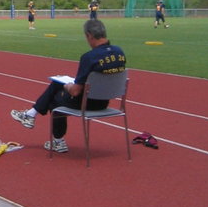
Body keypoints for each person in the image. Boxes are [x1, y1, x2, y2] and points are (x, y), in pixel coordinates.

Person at [11, 19, 126, 153]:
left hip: (87, 104)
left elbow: (75, 92)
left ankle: (57, 141)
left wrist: (67, 86)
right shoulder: (119, 53)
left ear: (89, 35)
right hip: (104, 102)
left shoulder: (89, 57)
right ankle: (31, 115)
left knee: (56, 98)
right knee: (57, 84)